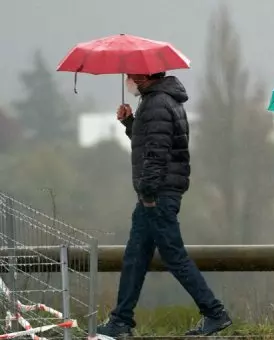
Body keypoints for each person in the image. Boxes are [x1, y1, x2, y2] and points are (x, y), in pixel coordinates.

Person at [97, 72, 232, 337]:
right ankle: (121, 320)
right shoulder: (162, 100)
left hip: (156, 195)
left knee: (174, 256)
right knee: (135, 257)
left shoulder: (156, 103)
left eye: (131, 76)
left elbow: (157, 154)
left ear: (144, 76)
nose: (128, 80)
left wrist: (147, 194)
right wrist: (129, 122)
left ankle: (215, 313)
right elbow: (151, 141)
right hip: (157, 194)